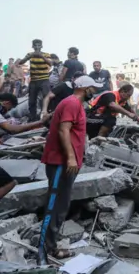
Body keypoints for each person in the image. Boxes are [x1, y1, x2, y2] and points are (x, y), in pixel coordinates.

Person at [37, 76, 101, 264]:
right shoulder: (72, 103)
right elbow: (63, 130)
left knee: (61, 205)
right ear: (84, 88)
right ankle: (41, 252)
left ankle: (51, 246)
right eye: (92, 88)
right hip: (60, 163)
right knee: (53, 207)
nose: (94, 91)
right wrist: (71, 157)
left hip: (67, 164)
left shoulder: (75, 104)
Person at [19, 39, 52, 122]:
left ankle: (45, 116)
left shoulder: (46, 54)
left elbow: (50, 63)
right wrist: (29, 56)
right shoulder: (30, 54)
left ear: (41, 46)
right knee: (32, 100)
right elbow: (21, 62)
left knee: (46, 98)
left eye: (38, 45)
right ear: (33, 46)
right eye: (35, 45)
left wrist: (41, 56)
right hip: (33, 81)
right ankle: (33, 118)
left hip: (44, 80)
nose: (37, 47)